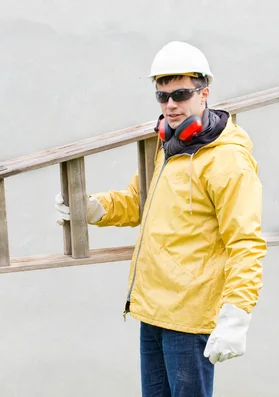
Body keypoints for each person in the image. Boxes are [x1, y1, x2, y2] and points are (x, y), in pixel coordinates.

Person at [55, 41, 267, 397]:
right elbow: (139, 201)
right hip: (153, 310)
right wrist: (94, 208)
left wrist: (237, 313)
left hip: (190, 315)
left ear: (204, 94)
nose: (170, 105)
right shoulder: (168, 147)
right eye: (162, 96)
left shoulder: (226, 161)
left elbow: (246, 241)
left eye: (180, 94)